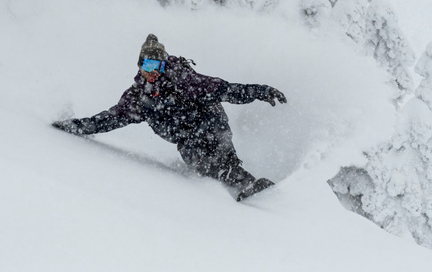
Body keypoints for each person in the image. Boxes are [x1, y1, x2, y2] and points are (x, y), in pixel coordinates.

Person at [52, 34, 287, 201]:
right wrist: (76, 126)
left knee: (218, 144)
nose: (152, 70)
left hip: (208, 119)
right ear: (140, 65)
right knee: (197, 160)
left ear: (164, 65)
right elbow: (110, 119)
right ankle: (229, 179)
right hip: (184, 137)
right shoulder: (139, 97)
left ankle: (243, 179)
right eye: (147, 64)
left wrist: (261, 91)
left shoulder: (184, 81)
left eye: (157, 65)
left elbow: (225, 89)